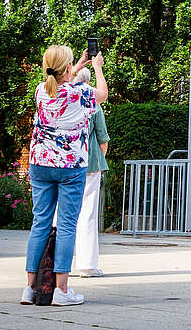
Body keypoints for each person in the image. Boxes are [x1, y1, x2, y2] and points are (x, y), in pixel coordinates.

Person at [21, 45, 107, 307]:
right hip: (70, 166)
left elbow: (57, 82)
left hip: (41, 163)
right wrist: (97, 67)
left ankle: (29, 289)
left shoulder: (40, 90)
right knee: (67, 225)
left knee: (40, 223)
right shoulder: (80, 93)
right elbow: (102, 94)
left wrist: (77, 66)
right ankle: (61, 290)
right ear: (67, 69)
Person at [55, 67, 110, 278]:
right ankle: (87, 265)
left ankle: (58, 263)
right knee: (87, 213)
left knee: (63, 214)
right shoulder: (93, 106)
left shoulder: (63, 101)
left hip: (64, 163)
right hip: (90, 164)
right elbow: (102, 139)